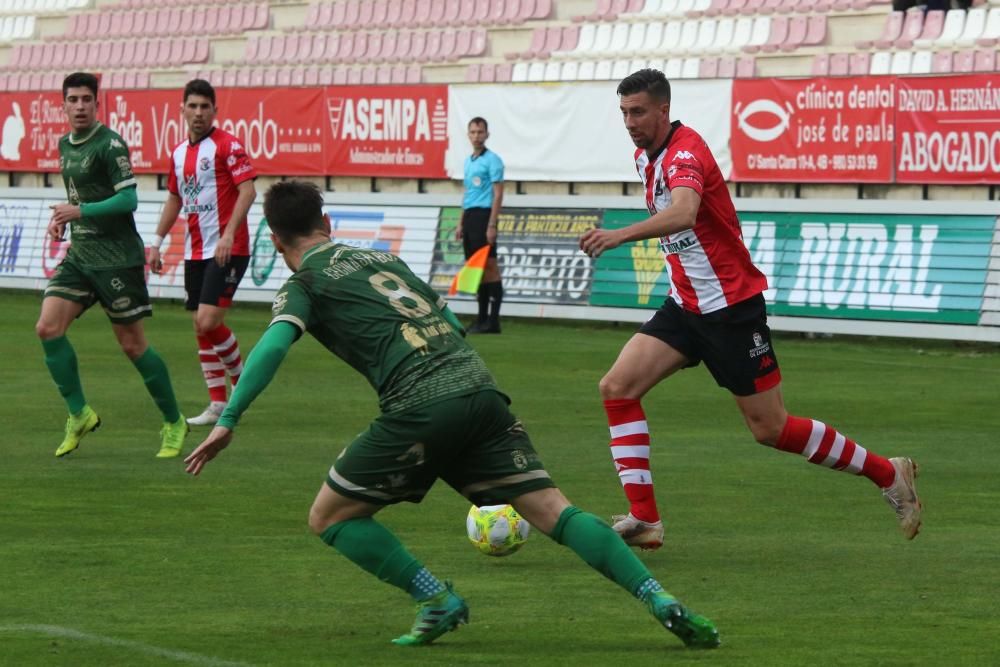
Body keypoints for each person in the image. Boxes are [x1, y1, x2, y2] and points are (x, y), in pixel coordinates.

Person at [183, 181, 721, 650]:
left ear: (276, 243)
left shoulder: (304, 284)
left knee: (329, 516)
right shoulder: (381, 258)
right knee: (556, 511)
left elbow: (274, 346)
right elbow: (453, 325)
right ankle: (662, 601)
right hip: (481, 391)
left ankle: (436, 598)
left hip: (420, 405)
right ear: (326, 222)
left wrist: (230, 418)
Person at [578, 69, 922, 550]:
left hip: (730, 309)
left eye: (637, 112)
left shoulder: (684, 154)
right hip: (686, 305)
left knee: (771, 428)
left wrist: (618, 234)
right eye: (623, 112)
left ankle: (890, 472)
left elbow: (683, 212)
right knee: (616, 387)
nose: (630, 121)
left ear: (663, 110)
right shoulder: (645, 156)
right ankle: (646, 519)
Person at [37, 72, 188, 459]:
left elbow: (129, 201)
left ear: (96, 103)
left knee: (133, 346)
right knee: (48, 328)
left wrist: (79, 210)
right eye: (73, 99)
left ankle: (174, 421)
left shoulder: (111, 145)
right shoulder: (64, 145)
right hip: (81, 255)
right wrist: (63, 220)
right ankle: (79, 413)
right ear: (64, 104)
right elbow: (78, 199)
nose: (80, 106)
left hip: (118, 260)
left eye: (87, 99)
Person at [149, 79, 257, 427]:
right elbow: (175, 199)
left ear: (214, 111)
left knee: (209, 320)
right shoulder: (179, 153)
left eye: (204, 107)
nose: (198, 113)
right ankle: (216, 403)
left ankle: (242, 387)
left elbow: (248, 191)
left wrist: (228, 235)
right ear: (182, 110)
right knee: (200, 325)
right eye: (192, 106)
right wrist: (157, 240)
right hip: (196, 251)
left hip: (229, 248)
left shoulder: (228, 145)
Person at [456, 117, 504, 334]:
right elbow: (468, 193)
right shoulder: (468, 161)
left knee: (490, 268)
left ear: (487, 134)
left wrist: (492, 224)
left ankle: (493, 321)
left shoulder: (493, 160)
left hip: (485, 216)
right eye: (473, 132)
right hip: (471, 218)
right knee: (477, 270)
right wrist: (460, 222)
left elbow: (498, 194)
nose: (476, 136)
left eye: (480, 132)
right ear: (468, 135)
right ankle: (481, 318)